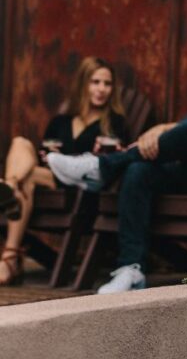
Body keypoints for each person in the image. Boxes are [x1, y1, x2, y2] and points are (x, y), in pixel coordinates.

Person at [47, 43, 187, 294]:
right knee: (139, 170)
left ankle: (101, 167)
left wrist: (163, 128)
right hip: (183, 178)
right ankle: (131, 270)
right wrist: (160, 134)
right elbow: (172, 142)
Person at [0, 57, 128, 286]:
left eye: (107, 84)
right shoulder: (62, 121)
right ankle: (11, 186)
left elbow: (113, 164)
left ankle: (10, 253)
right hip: (49, 179)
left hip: (81, 188)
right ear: (83, 84)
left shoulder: (114, 123)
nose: (101, 89)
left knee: (25, 179)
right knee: (21, 145)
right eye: (95, 82)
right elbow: (42, 153)